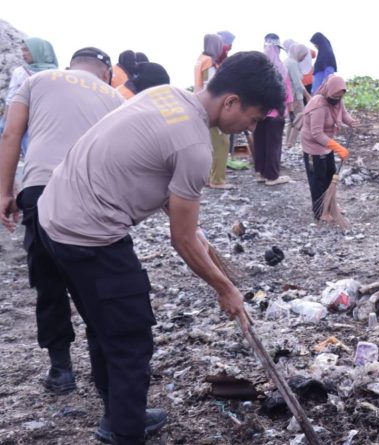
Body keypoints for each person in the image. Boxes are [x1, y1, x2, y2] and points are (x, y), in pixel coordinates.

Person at [33, 51, 285, 444]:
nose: (248, 129)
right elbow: (181, 240)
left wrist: (194, 233)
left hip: (53, 218)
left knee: (104, 327)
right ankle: (126, 432)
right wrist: (225, 288)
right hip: (90, 237)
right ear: (231, 101)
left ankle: (117, 416)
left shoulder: (167, 95)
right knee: (131, 339)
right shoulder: (195, 147)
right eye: (251, 119)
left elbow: (157, 179)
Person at [0, 47, 123, 396]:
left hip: (40, 188)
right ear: (106, 71)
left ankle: (61, 369)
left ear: (73, 65)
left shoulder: (37, 80)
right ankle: (106, 377)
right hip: (90, 193)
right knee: (95, 284)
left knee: (48, 280)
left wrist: (4, 192)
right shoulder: (114, 96)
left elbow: (10, 135)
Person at [300, 75, 357, 219]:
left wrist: (350, 122)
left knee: (330, 174)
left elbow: (342, 113)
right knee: (317, 178)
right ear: (329, 90)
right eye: (335, 95)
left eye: (340, 95)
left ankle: (330, 205)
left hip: (326, 143)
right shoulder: (319, 105)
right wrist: (338, 147)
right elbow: (316, 133)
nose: (337, 98)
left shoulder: (338, 100)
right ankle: (320, 212)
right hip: (312, 145)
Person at [2, 37, 58, 158]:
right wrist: (6, 120)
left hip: (46, 120)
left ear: (39, 51)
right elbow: (11, 97)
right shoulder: (21, 71)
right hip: (26, 119)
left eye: (27, 50)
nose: (23, 54)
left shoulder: (56, 73)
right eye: (22, 50)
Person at [252, 33, 292, 185]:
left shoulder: (257, 67)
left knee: (260, 142)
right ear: (277, 48)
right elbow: (287, 92)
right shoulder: (280, 68)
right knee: (273, 144)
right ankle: (272, 176)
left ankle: (261, 173)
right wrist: (288, 109)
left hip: (258, 112)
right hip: (275, 112)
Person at [195, 34, 231, 189]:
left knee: (211, 143)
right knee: (222, 142)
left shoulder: (200, 59)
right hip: (210, 105)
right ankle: (217, 179)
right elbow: (211, 86)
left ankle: (209, 177)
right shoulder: (209, 62)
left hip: (198, 102)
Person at [284, 42, 313, 148]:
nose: (304, 57)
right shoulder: (293, 64)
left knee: (292, 120)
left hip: (289, 95)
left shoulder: (287, 61)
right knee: (300, 118)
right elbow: (298, 83)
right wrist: (307, 95)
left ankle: (288, 143)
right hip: (296, 96)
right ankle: (290, 144)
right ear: (298, 52)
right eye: (303, 55)